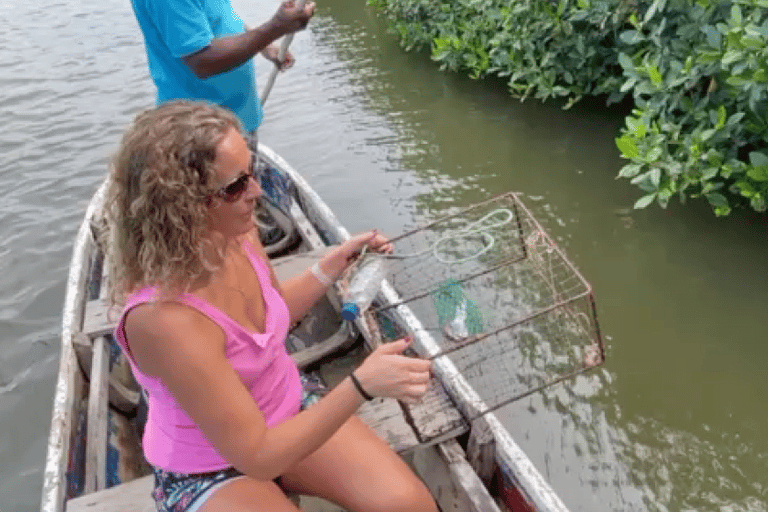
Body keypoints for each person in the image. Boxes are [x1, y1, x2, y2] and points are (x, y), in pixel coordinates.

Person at [105, 100, 438, 512]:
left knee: (409, 506)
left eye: (251, 174)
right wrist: (361, 385)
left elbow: (270, 315)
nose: (256, 192)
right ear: (181, 207)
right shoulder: (163, 320)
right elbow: (258, 456)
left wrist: (334, 265)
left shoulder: (236, 232)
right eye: (235, 186)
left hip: (287, 406)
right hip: (211, 465)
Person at [129, 0, 315, 145]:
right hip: (201, 135)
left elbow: (220, 18)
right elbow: (202, 61)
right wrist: (275, 27)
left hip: (237, 121)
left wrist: (265, 46)